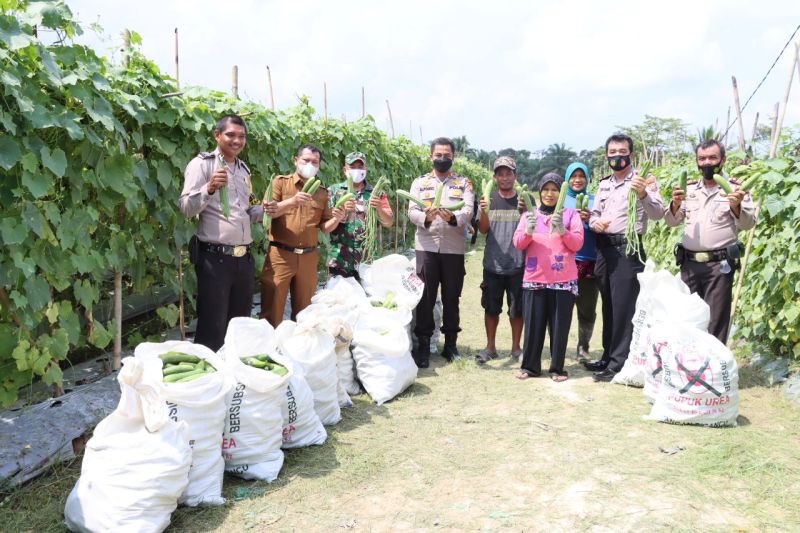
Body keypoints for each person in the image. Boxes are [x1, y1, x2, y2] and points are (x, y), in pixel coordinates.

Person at [178, 114, 265, 351]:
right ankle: (209, 379)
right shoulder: (203, 165)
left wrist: (266, 209)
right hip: (215, 260)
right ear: (217, 136)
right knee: (213, 327)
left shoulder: (243, 171)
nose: (237, 140)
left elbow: (247, 211)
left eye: (241, 136)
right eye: (231, 135)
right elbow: (186, 207)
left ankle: (234, 379)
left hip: (243, 259)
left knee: (240, 325)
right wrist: (209, 188)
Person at [585, 133, 665, 382]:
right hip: (604, 249)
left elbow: (658, 213)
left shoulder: (644, 181)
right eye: (612, 152)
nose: (617, 156)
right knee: (608, 304)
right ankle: (608, 356)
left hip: (627, 250)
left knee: (623, 308)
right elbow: (594, 213)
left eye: (622, 152)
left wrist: (643, 194)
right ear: (607, 155)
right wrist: (595, 222)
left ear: (631, 154)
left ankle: (619, 364)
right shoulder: (604, 184)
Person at [664, 139, 756, 343]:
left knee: (715, 320)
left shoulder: (736, 189)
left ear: (722, 160)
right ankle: (688, 366)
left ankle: (712, 370)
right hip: (689, 264)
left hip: (719, 266)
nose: (707, 162)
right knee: (687, 317)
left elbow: (749, 224)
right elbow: (671, 222)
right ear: (697, 162)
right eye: (702, 158)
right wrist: (675, 204)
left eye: (712, 158)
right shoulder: (687, 189)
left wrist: (737, 206)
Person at [408, 137, 475, 368]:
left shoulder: (463, 183)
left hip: (453, 249)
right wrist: (426, 216)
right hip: (426, 247)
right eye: (438, 155)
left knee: (451, 297)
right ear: (431, 156)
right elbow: (412, 211)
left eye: (447, 155)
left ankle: (451, 345)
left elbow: (468, 209)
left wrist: (453, 217)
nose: (442, 158)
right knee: (425, 298)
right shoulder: (420, 183)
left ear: (453, 157)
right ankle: (424, 346)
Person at [259, 144, 343, 327]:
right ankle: (268, 350)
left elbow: (325, 227)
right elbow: (269, 212)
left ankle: (297, 350)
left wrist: (337, 219)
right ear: (296, 160)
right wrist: (293, 201)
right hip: (280, 255)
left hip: (308, 257)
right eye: (306, 160)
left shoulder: (322, 193)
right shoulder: (280, 183)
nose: (310, 164)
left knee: (305, 312)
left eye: (315, 162)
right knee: (271, 308)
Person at [512, 173, 584, 382]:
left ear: (560, 193)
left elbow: (577, 244)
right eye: (546, 189)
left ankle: (557, 369)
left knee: (559, 327)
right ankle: (530, 366)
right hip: (535, 278)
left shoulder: (570, 215)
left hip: (563, 280)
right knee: (533, 326)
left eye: (554, 190)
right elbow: (518, 243)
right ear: (539, 192)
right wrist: (528, 230)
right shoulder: (529, 215)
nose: (550, 194)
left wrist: (562, 229)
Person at [475, 156, 529, 364]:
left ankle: (516, 348)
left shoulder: (524, 200)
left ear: (515, 176)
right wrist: (484, 209)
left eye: (509, 173)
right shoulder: (489, 199)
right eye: (500, 174)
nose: (505, 178)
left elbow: (531, 228)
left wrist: (526, 211)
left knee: (517, 310)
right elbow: (482, 230)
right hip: (493, 264)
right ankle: (491, 347)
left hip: (518, 264)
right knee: (491, 308)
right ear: (495, 177)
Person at [326, 151, 394, 278]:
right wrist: (341, 213)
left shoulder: (377, 193)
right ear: (345, 169)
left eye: (360, 167)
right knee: (339, 297)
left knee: (368, 296)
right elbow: (326, 225)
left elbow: (389, 222)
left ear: (366, 169)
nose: (357, 170)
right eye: (352, 167)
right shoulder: (334, 191)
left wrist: (379, 208)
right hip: (339, 260)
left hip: (367, 260)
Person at [562, 162, 599, 360]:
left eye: (581, 176)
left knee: (587, 307)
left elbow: (603, 226)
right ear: (567, 178)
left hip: (589, 261)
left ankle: (583, 346)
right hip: (564, 261)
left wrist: (590, 219)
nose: (577, 180)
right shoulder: (560, 200)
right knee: (562, 306)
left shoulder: (595, 201)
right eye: (573, 176)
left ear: (587, 178)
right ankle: (558, 345)